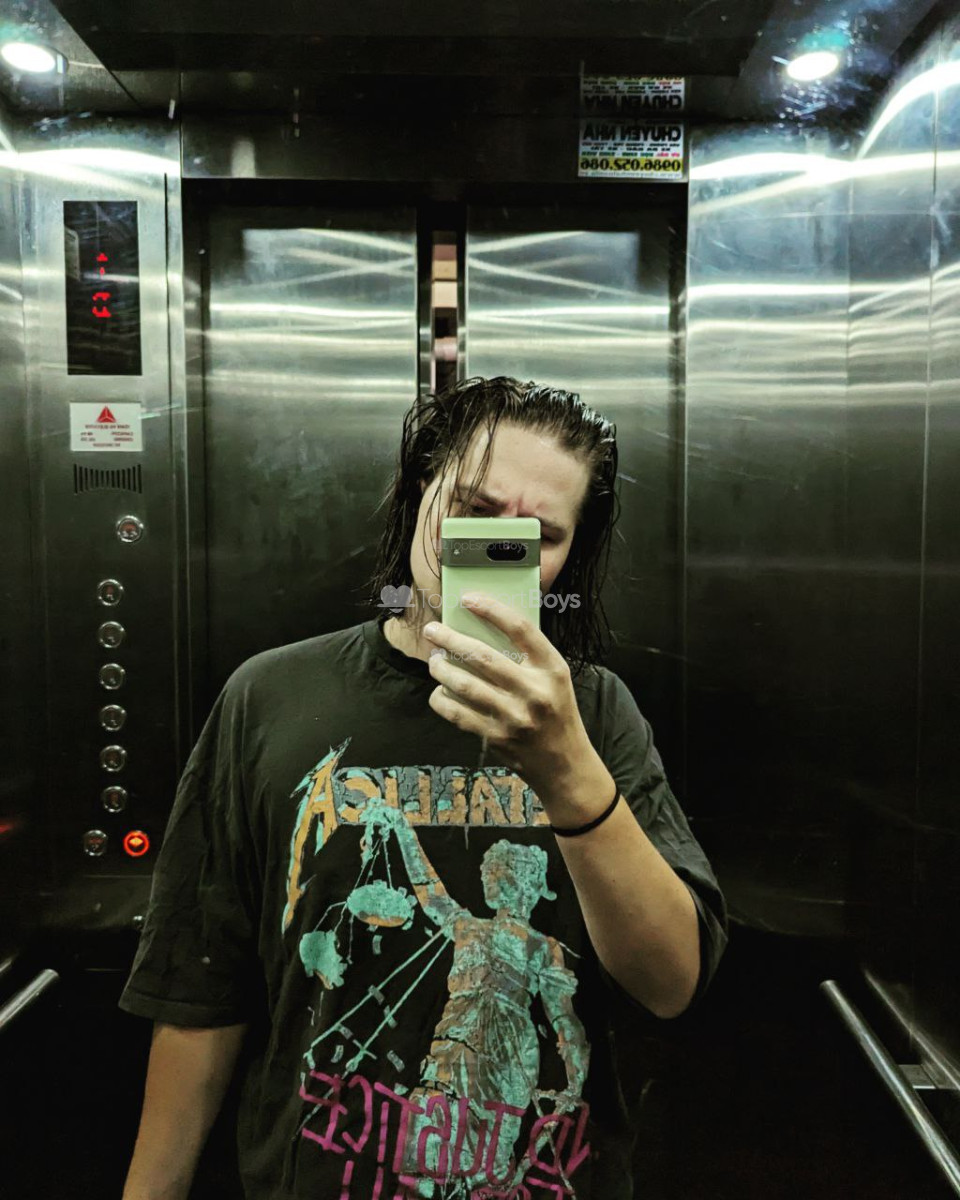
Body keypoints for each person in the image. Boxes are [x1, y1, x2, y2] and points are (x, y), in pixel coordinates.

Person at [119, 376, 728, 1200]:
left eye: (539, 535)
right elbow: (200, 988)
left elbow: (671, 983)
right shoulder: (271, 698)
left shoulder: (594, 714)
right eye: (473, 509)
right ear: (419, 493)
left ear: (567, 556)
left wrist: (566, 769)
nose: (498, 547)